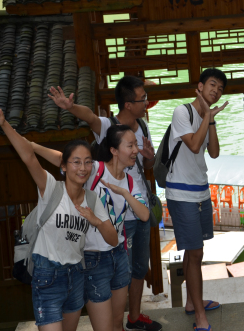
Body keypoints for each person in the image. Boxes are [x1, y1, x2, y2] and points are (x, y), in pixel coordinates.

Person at [48, 76, 161, 331]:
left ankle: (134, 317)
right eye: (142, 98)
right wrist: (70, 107)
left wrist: (149, 157)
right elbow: (89, 117)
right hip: (118, 216)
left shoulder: (142, 126)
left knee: (139, 268)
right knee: (120, 270)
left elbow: (147, 165)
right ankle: (113, 321)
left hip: (138, 203)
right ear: (128, 103)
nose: (146, 102)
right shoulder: (109, 126)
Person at [0, 99, 117, 331]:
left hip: (76, 274)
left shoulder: (92, 199)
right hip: (47, 275)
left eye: (87, 162)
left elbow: (112, 239)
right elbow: (29, 158)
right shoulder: (51, 187)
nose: (82, 168)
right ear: (64, 166)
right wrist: (3, 124)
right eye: (76, 162)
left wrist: (96, 221)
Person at [31, 125, 150, 331]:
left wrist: (124, 193)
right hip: (94, 258)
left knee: (117, 322)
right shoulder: (95, 169)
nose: (136, 150)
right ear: (114, 150)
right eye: (130, 145)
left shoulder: (130, 182)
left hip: (119, 254)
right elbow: (64, 159)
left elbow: (144, 215)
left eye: (136, 145)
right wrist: (32, 146)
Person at [165, 68, 228, 331]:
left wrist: (210, 119)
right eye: (212, 85)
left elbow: (213, 152)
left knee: (195, 253)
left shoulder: (206, 117)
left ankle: (193, 302)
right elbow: (193, 145)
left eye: (220, 89)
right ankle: (199, 316)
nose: (216, 91)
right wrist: (205, 115)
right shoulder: (182, 112)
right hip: (181, 194)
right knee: (195, 252)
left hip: (201, 191)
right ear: (200, 86)